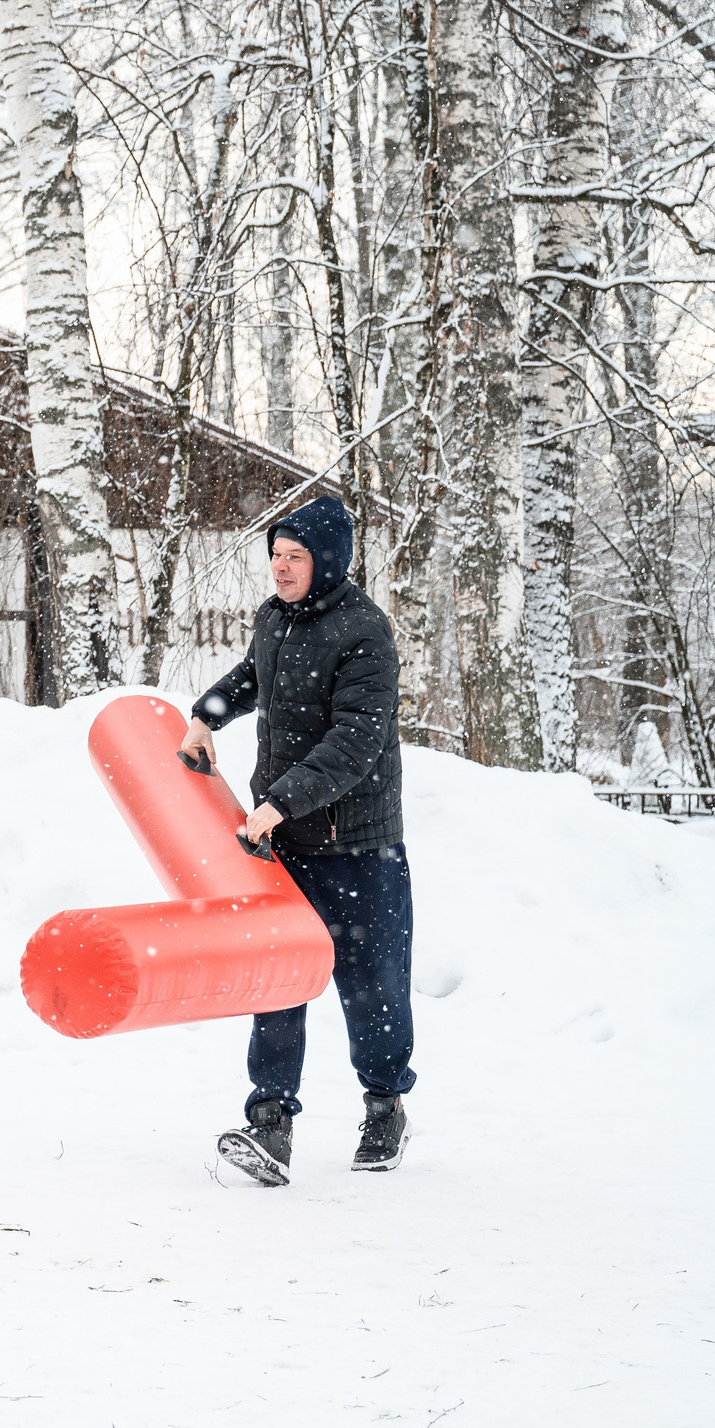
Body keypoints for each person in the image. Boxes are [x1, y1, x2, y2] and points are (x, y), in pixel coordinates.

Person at [179, 494, 415, 1186]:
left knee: (371, 986)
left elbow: (356, 741)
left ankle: (384, 1106)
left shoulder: (365, 632)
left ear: (328, 561)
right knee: (277, 978)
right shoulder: (275, 619)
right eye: (276, 555)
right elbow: (255, 677)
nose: (280, 569)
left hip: (357, 845)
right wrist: (206, 716)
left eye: (296, 557)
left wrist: (280, 800)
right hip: (283, 839)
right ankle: (270, 1123)